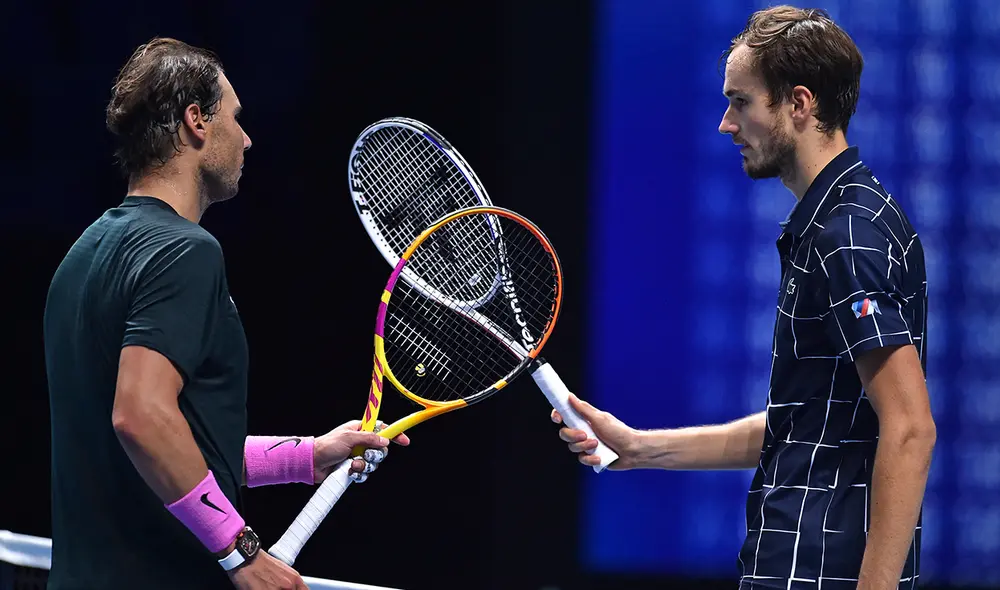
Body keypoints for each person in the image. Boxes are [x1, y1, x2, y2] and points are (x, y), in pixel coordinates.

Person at [553, 6, 935, 589]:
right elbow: (804, 425)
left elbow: (909, 427)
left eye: (741, 102)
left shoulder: (847, 235)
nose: (726, 124)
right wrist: (638, 448)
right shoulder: (834, 221)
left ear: (799, 105)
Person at [42, 37, 409, 590]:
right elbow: (141, 419)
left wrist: (307, 458)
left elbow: (170, 447)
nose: (247, 139)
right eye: (235, 118)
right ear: (196, 121)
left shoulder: (82, 254)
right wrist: (241, 552)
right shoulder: (186, 251)